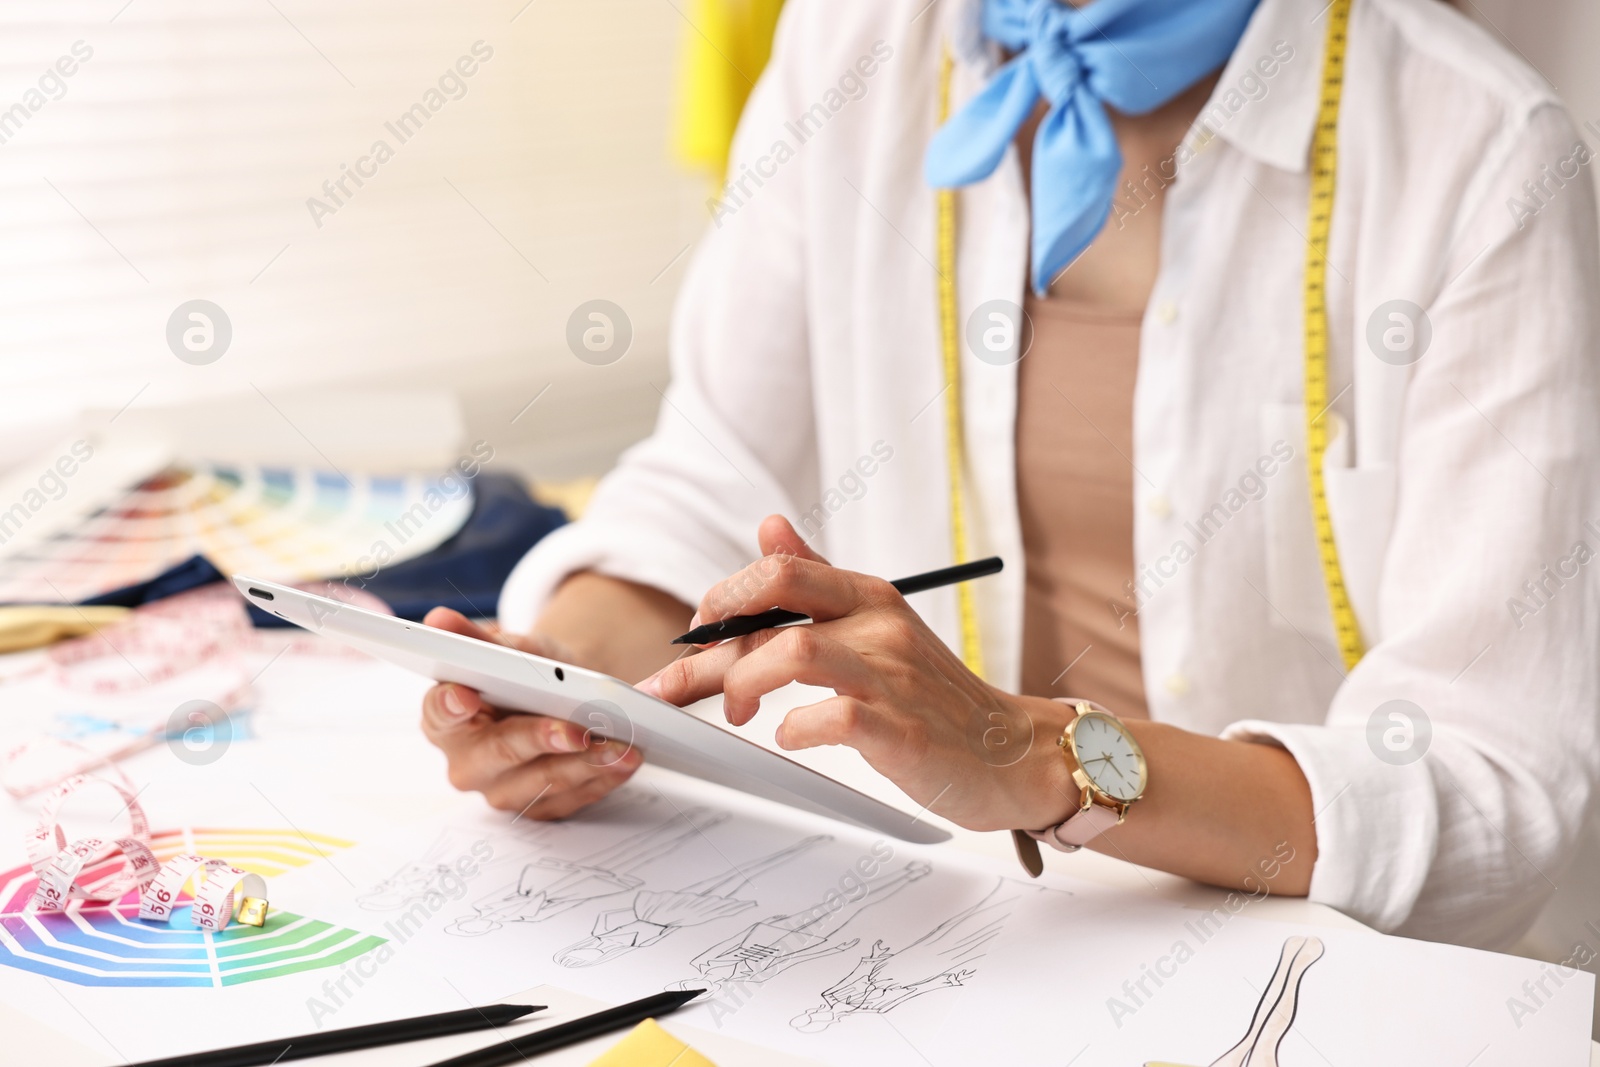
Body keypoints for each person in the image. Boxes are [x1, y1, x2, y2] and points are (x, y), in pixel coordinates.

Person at [419, 0, 1600, 956]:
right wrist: (553, 681)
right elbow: (714, 474)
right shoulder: (851, 43)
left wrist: (1025, 752)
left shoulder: (1480, 152)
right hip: (976, 938)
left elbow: (1492, 787)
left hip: (1314, 969)